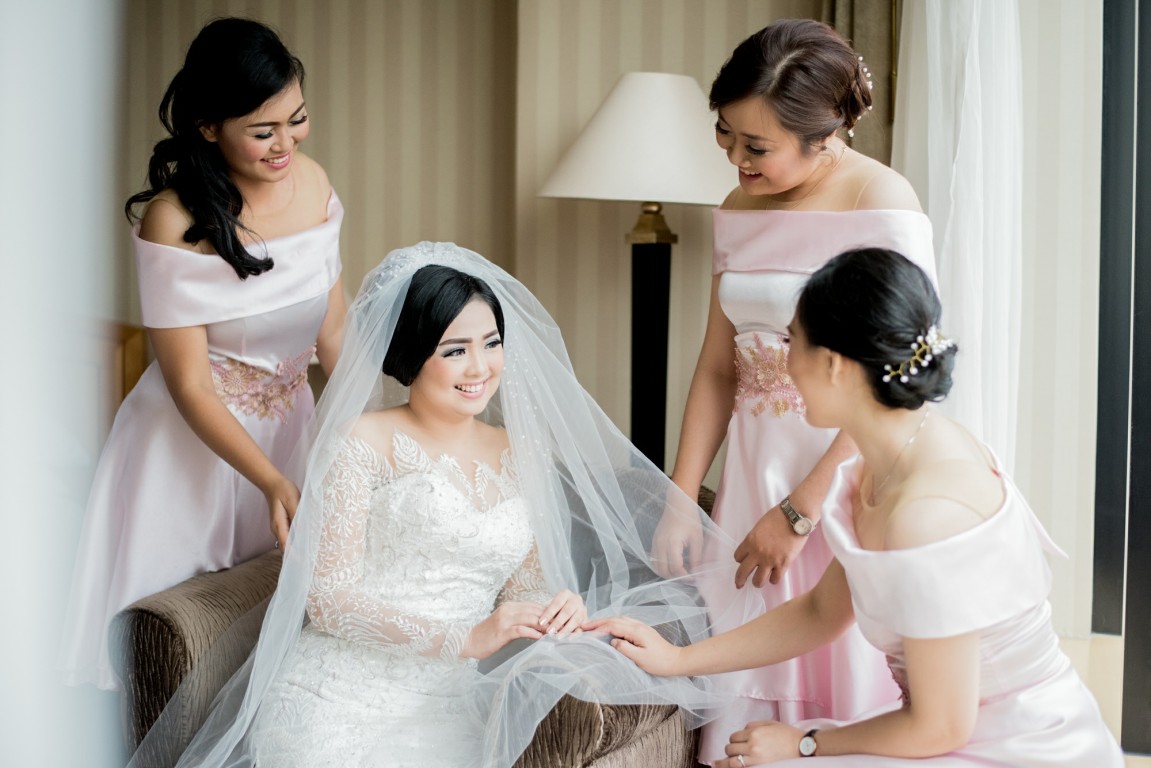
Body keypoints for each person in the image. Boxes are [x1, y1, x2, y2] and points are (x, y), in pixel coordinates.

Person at [130, 242, 761, 768]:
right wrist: (464, 636)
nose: (479, 367)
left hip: (458, 696)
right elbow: (326, 599)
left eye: (491, 343)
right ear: (412, 355)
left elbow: (522, 585)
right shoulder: (360, 441)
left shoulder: (523, 452)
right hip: (341, 693)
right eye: (454, 350)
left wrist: (556, 606)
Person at [591, 247, 1124, 767]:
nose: (781, 362)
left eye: (790, 341)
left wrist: (803, 742)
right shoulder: (879, 461)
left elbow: (941, 727)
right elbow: (822, 612)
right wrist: (677, 659)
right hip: (946, 731)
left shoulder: (927, 514)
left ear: (833, 365)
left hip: (1014, 744)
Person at [651, 18, 935, 759]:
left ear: (824, 135)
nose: (734, 159)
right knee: (745, 667)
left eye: (757, 147)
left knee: (838, 655)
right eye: (725, 134)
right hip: (753, 474)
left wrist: (803, 509)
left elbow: (895, 379)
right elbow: (718, 366)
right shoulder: (739, 204)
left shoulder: (881, 202)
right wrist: (682, 498)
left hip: (840, 477)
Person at [59, 17, 347, 691]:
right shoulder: (173, 218)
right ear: (208, 126)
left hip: (289, 429)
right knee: (174, 654)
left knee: (274, 637)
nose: (286, 144)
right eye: (263, 131)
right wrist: (270, 481)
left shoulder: (312, 182)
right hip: (189, 448)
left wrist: (370, 429)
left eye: (297, 120)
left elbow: (334, 328)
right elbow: (188, 383)